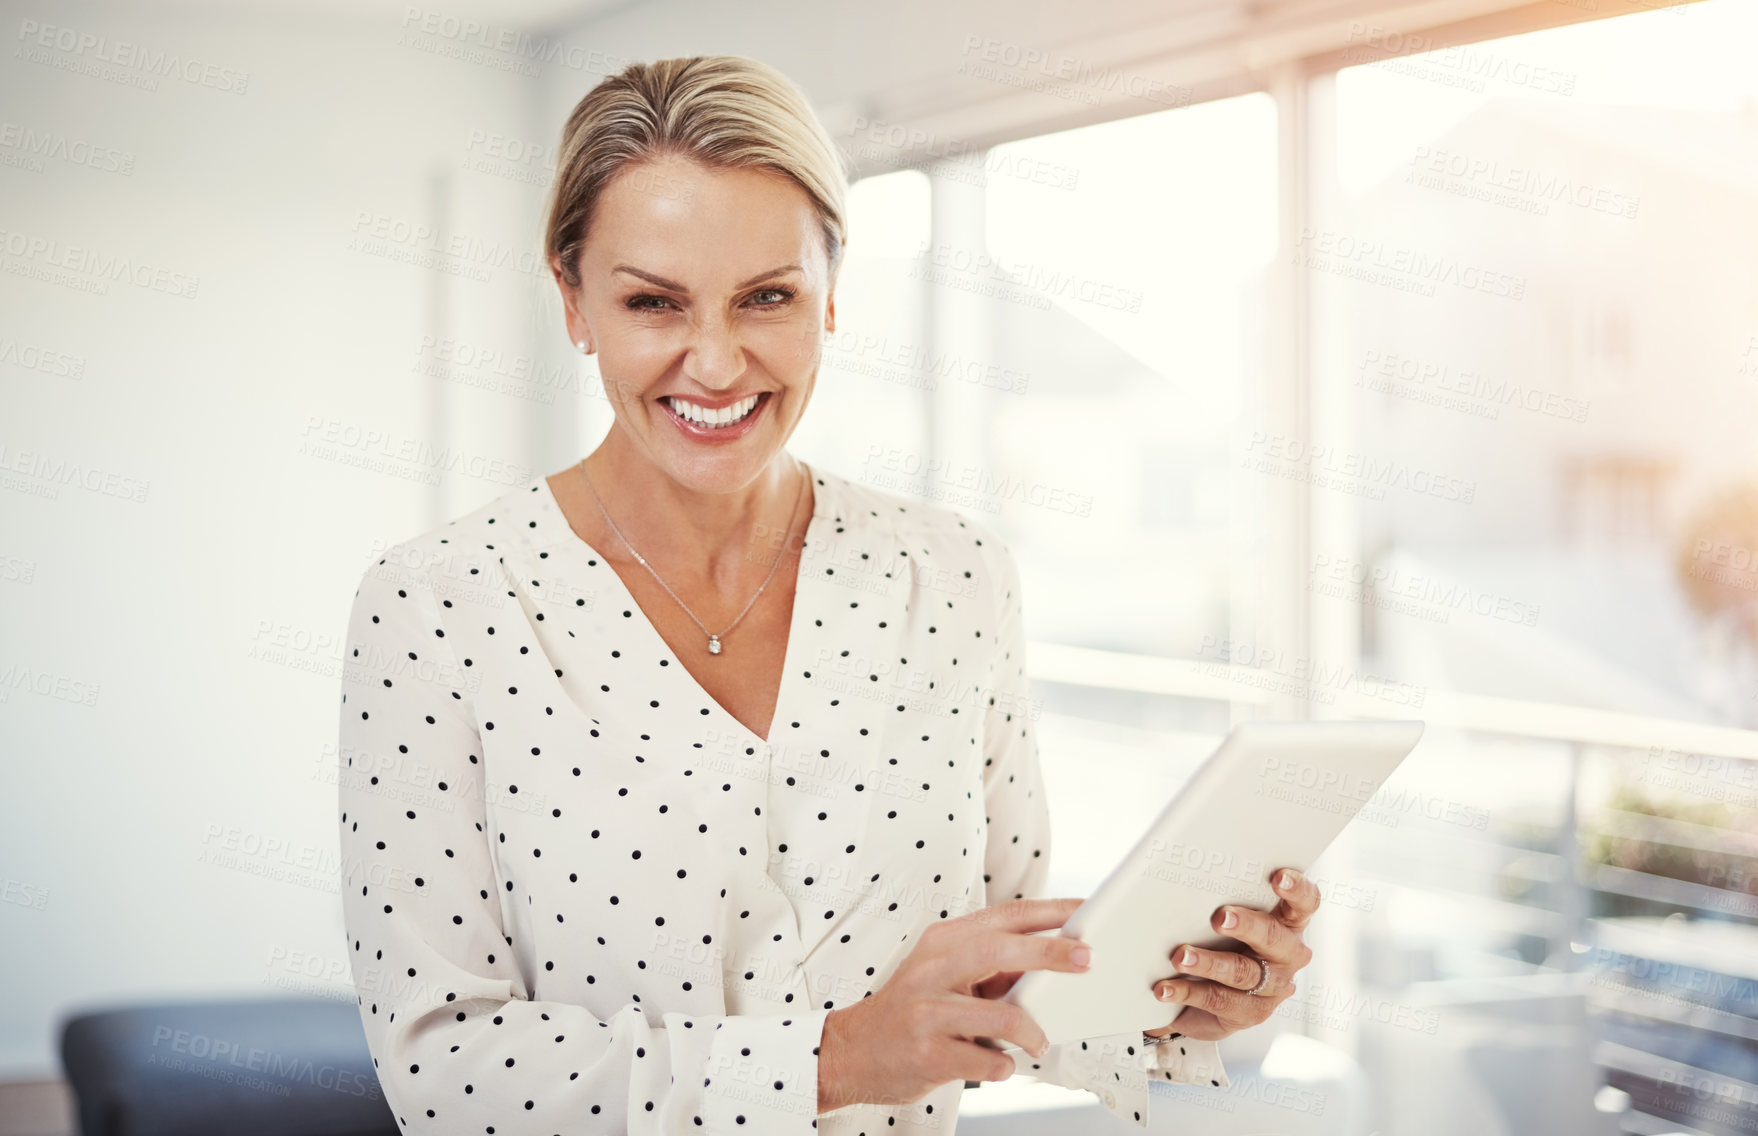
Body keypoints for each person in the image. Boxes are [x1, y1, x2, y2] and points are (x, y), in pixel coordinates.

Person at [335, 53, 1321, 1134]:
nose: (715, 363)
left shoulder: (953, 574)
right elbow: (445, 1065)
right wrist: (835, 1056)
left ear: (833, 295)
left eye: (767, 296)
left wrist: (1190, 997)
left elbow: (1007, 981)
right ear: (572, 300)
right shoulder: (438, 606)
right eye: (654, 302)